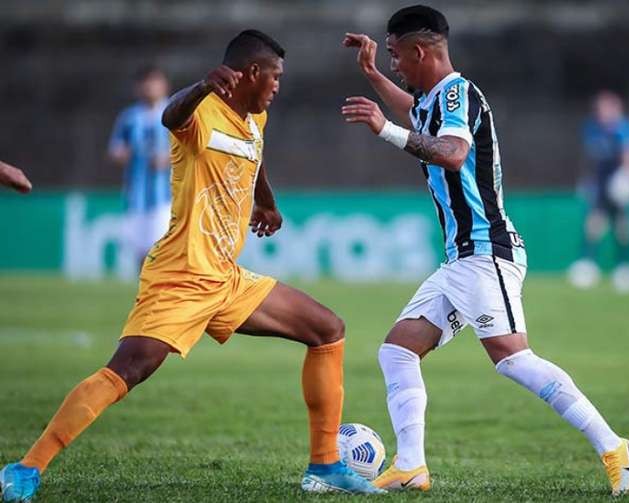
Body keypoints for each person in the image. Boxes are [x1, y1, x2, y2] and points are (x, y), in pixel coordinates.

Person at [0, 30, 382, 502]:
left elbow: (253, 154)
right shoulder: (200, 112)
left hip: (225, 276)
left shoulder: (255, 117)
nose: (279, 85)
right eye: (275, 76)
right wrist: (202, 85)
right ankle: (25, 467)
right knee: (129, 370)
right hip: (180, 276)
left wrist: (267, 202)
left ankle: (324, 465)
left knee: (327, 329)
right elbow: (169, 115)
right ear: (253, 73)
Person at [342, 5, 629, 496]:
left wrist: (384, 130)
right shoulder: (435, 98)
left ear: (420, 51)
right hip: (461, 258)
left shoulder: (458, 93)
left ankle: (615, 446)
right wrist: (374, 75)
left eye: (395, 55)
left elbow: (454, 153)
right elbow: (413, 111)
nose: (394, 64)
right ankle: (411, 465)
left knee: (512, 358)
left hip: (487, 252)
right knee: (397, 350)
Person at [568, 90, 629, 293]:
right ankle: (587, 265)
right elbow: (589, 158)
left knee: (622, 226)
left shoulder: (625, 129)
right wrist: (586, 180)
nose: (602, 112)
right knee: (594, 224)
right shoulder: (592, 129)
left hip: (619, 182)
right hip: (601, 184)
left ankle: (626, 267)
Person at [108, 66, 173, 267]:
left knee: (162, 251)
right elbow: (115, 149)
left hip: (167, 196)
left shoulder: (175, 111)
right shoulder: (129, 117)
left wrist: (168, 158)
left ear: (164, 85)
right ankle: (147, 295)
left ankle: (164, 294)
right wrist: (121, 154)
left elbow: (191, 148)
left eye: (154, 82)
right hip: (136, 196)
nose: (150, 87)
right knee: (142, 254)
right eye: (146, 83)